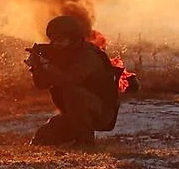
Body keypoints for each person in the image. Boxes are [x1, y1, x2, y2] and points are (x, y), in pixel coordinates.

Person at [27, 15, 120, 147]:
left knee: (73, 92)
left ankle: (86, 142)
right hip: (76, 114)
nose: (55, 43)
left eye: (60, 39)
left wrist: (48, 66)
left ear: (73, 38)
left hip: (102, 112)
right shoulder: (62, 55)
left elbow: (69, 80)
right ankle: (75, 136)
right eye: (52, 39)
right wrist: (36, 68)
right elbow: (42, 84)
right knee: (42, 138)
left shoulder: (88, 55)